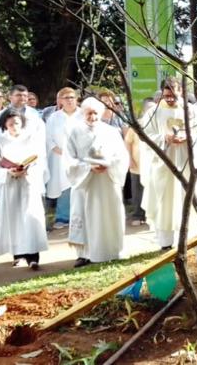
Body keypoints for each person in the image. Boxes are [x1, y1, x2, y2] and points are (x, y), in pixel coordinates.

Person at [139, 77, 197, 249]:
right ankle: (165, 242)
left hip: (187, 163)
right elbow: (145, 137)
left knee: (187, 197)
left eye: (173, 94)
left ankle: (188, 237)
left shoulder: (191, 111)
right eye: (166, 95)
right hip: (164, 166)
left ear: (181, 92)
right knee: (164, 201)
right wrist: (164, 138)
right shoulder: (153, 112)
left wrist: (189, 136)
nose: (170, 98)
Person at [65, 98, 130, 266]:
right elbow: (69, 159)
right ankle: (85, 254)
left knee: (108, 215)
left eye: (95, 113)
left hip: (107, 182)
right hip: (86, 182)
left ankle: (112, 250)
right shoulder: (75, 132)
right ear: (83, 113)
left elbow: (121, 156)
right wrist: (88, 167)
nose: (92, 116)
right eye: (89, 113)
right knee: (86, 214)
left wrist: (108, 165)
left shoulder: (111, 131)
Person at [0, 109, 49, 269]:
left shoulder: (31, 139)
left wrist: (27, 170)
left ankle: (34, 256)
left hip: (28, 183)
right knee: (14, 219)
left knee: (30, 218)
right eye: (10, 124)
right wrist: (8, 172)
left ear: (21, 123)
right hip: (10, 185)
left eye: (16, 123)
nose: (14, 126)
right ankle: (19, 255)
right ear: (4, 125)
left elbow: (39, 161)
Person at [45, 87, 81, 229]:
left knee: (80, 186)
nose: (70, 100)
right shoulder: (54, 117)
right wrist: (56, 149)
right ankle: (63, 217)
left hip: (79, 157)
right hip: (59, 157)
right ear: (60, 100)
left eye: (72, 97)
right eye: (66, 98)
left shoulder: (83, 114)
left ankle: (80, 217)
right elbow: (48, 137)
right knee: (64, 186)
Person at [124, 99, 155, 226]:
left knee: (153, 190)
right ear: (144, 110)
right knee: (138, 191)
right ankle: (138, 214)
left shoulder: (159, 124)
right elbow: (128, 142)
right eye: (149, 108)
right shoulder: (136, 125)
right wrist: (130, 159)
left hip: (154, 165)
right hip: (138, 164)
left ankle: (151, 215)